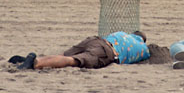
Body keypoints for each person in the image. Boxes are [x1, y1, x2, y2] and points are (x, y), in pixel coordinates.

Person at [9, 31, 149, 70]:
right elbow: (146, 54)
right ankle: (36, 63)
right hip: (107, 51)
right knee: (73, 61)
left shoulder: (122, 33)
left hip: (96, 40)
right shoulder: (142, 48)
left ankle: (35, 59)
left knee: (63, 55)